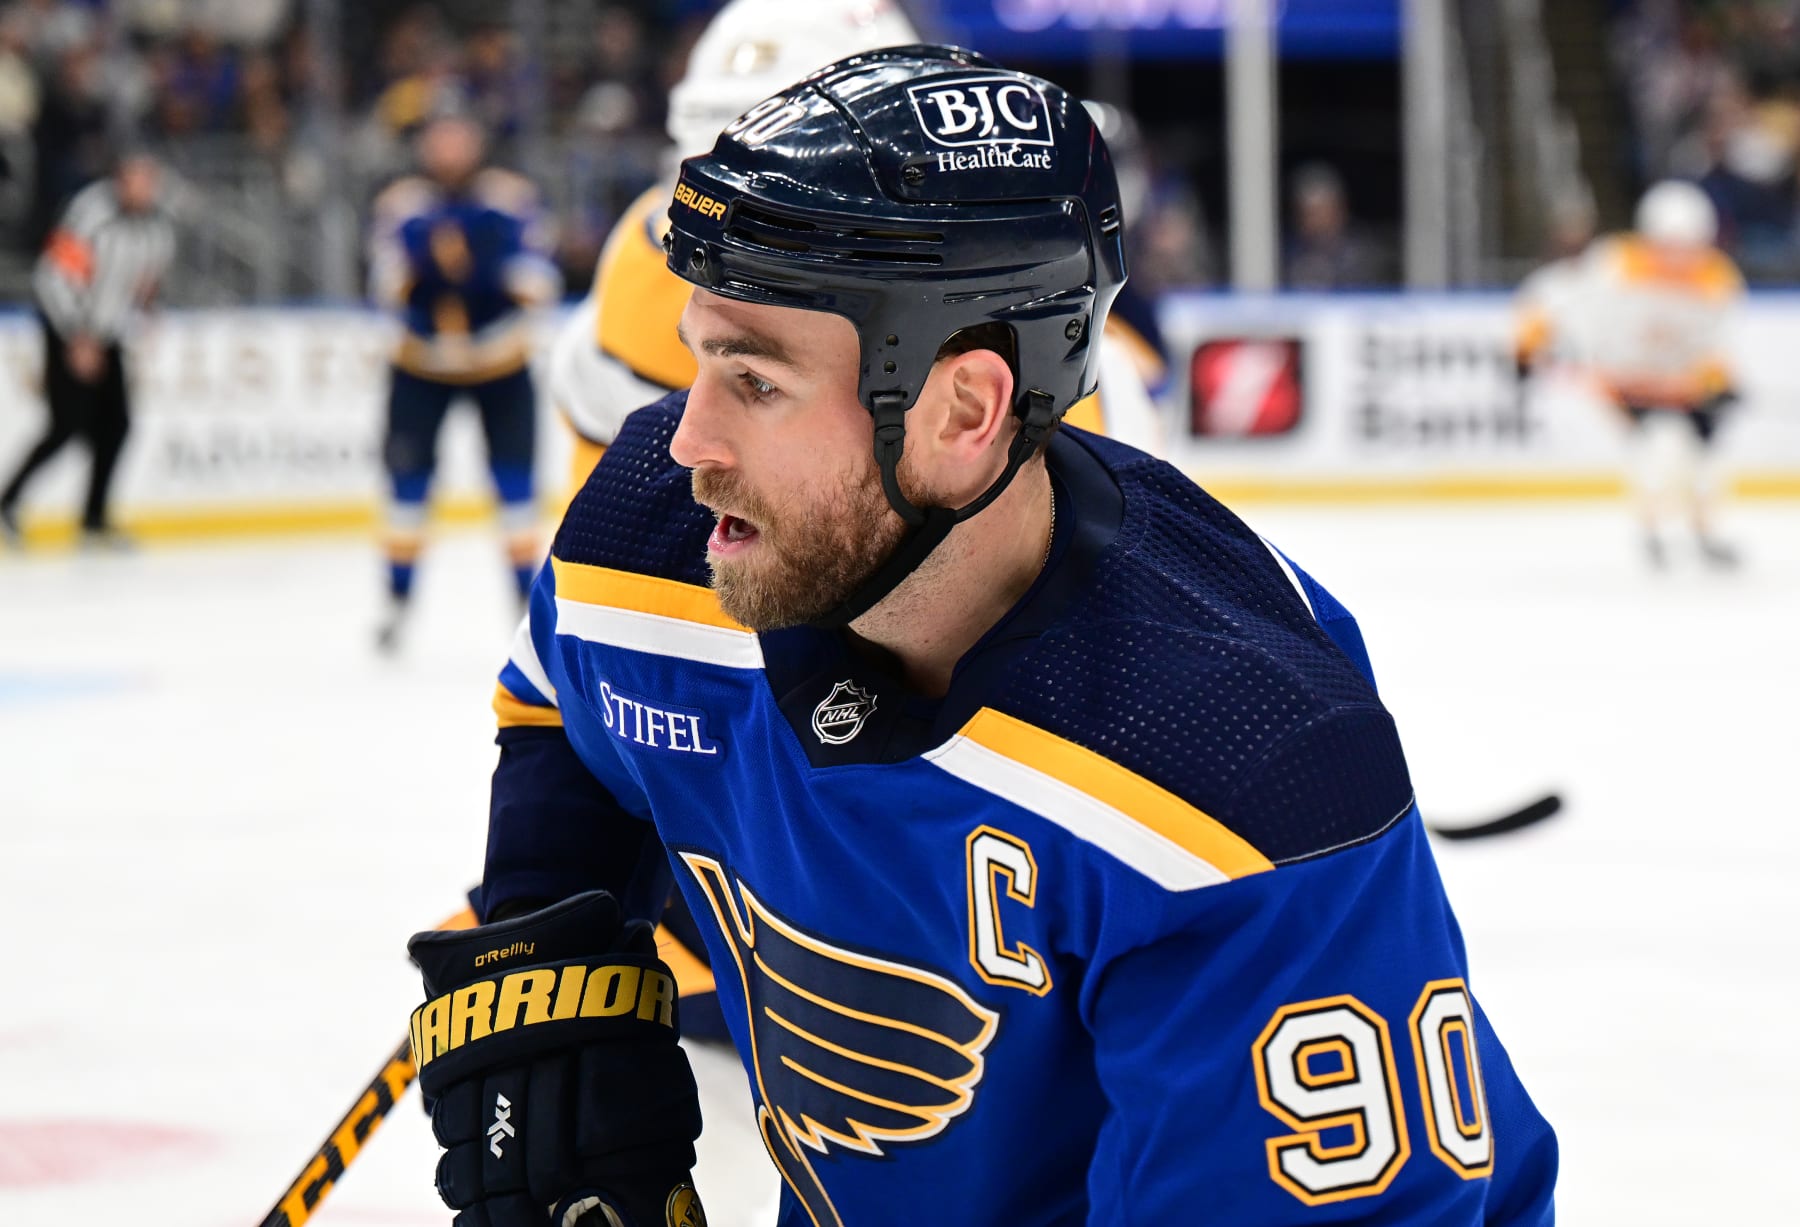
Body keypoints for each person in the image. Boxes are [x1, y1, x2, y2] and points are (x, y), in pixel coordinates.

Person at [407, 47, 1557, 1227]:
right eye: (699, 357)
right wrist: (548, 931)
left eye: (755, 382)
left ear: (964, 411)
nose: (686, 439)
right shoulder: (655, 532)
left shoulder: (1235, 771)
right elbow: (564, 699)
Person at [366, 112, 560, 650]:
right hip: (420, 366)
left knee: (516, 489)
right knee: (406, 487)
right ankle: (396, 601)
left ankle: (524, 605)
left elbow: (540, 281)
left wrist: (478, 268)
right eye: (440, 139)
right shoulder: (402, 203)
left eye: (459, 138)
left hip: (500, 364)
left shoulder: (510, 198)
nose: (449, 149)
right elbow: (385, 283)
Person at [0, 151, 173, 549]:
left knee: (116, 425)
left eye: (149, 180)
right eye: (136, 178)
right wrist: (77, 337)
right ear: (120, 179)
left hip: (107, 334)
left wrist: (146, 307)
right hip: (68, 329)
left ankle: (94, 519)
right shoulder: (93, 213)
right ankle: (7, 502)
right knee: (67, 423)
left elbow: (147, 278)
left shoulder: (156, 227)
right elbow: (52, 278)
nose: (144, 188)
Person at [1574, 179, 1745, 568]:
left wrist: (1712, 383)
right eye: (1668, 245)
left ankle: (1705, 531)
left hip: (1685, 387)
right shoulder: (1615, 266)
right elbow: (1589, 331)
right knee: (1656, 451)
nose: (1677, 257)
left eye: (1688, 246)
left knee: (1705, 462)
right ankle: (1653, 531)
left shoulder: (1717, 277)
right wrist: (1611, 377)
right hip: (1631, 385)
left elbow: (1719, 348)